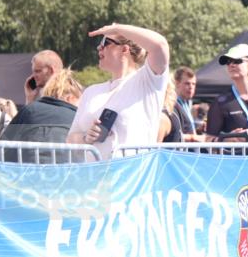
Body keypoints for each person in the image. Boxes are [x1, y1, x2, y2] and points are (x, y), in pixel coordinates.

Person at [67, 23, 171, 160]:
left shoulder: (147, 81)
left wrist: (117, 28)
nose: (99, 47)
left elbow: (160, 45)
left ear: (124, 49)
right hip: (94, 177)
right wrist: (87, 138)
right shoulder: (91, 92)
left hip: (132, 178)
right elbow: (70, 140)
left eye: (105, 42)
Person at [0, 68, 82, 162]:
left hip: (29, 172)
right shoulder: (77, 117)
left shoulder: (30, 110)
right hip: (68, 174)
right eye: (80, 100)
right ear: (70, 98)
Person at [172, 67, 204, 141]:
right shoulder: (172, 105)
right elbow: (173, 134)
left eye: (193, 84)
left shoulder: (187, 102)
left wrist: (197, 128)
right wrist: (193, 138)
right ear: (177, 83)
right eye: (187, 83)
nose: (191, 87)